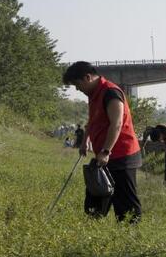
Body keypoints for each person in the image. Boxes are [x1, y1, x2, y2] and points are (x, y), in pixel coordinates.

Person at [61, 61, 143, 222]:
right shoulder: (93, 94)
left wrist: (106, 151)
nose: (77, 89)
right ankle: (94, 230)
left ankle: (130, 239)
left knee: (125, 205)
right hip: (103, 155)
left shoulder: (111, 93)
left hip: (121, 155)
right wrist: (85, 141)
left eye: (77, 84)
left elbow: (117, 123)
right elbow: (92, 121)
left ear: (88, 77)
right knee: (95, 198)